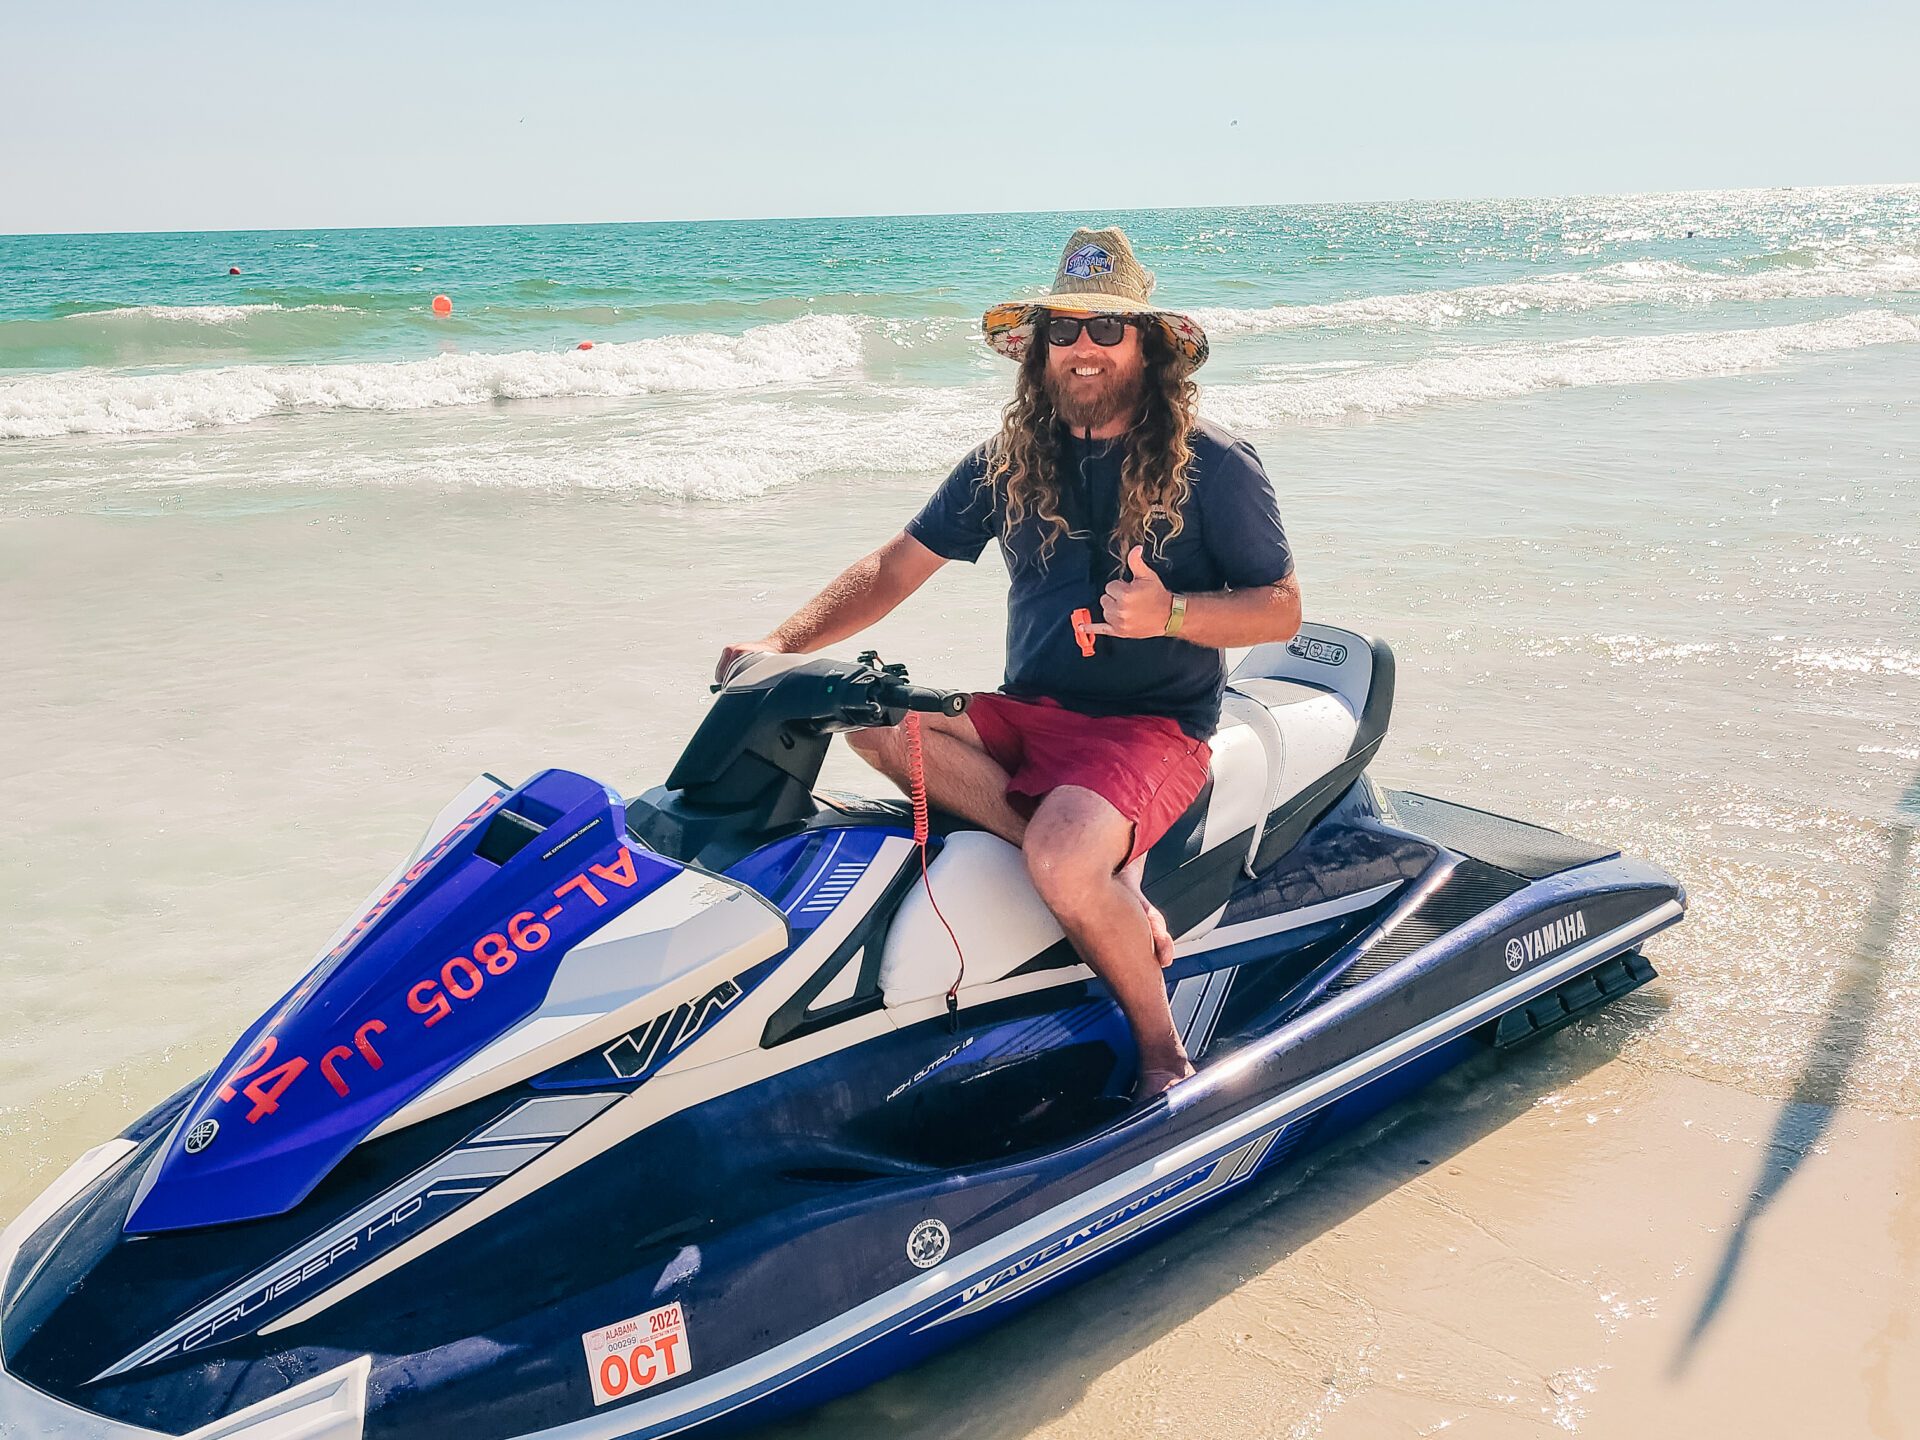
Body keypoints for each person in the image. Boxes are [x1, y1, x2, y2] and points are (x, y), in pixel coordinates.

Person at [716, 227, 1301, 1098]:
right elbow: (896, 565)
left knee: (1064, 861)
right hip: (1030, 711)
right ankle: (1115, 891)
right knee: (863, 720)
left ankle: (1162, 1050)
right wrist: (780, 647)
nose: (1084, 348)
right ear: (1037, 350)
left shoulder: (1210, 463)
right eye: (1064, 330)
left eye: (1108, 330)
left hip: (1151, 729)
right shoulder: (1010, 460)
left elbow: (1282, 608)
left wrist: (1170, 613)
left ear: (1147, 346)